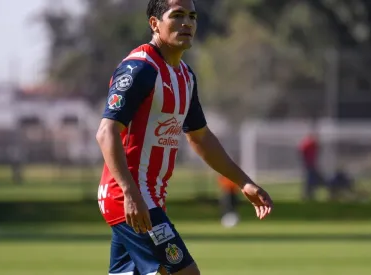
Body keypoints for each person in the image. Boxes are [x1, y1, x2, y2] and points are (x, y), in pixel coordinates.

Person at [95, 0, 274, 274]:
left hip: (149, 197)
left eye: (192, 16)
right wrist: (131, 193)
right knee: (186, 273)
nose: (187, 23)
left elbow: (200, 138)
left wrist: (244, 183)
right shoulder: (140, 69)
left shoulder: (185, 76)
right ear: (154, 23)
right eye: (177, 15)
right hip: (129, 196)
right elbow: (106, 132)